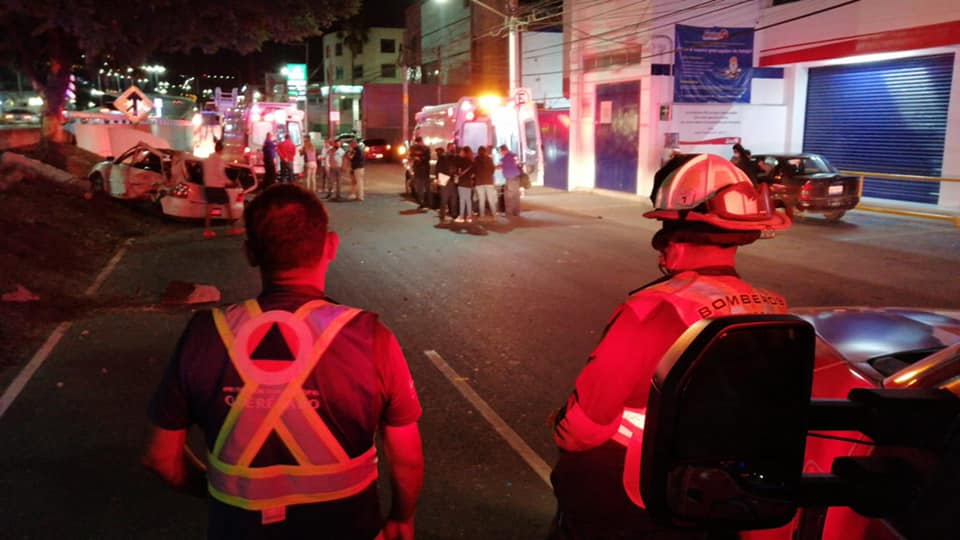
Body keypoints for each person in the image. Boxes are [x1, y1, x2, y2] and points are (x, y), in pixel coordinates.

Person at [143, 184, 424, 540]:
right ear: (331, 246)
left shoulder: (205, 334)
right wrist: (402, 516)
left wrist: (220, 492)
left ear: (250, 254)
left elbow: (161, 458)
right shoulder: (370, 337)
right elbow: (407, 457)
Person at [549, 154, 791, 540]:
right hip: (726, 491)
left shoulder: (652, 310)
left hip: (639, 496)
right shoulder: (770, 307)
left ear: (675, 241)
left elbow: (582, 431)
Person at [201, 139, 243, 239]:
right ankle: (233, 228)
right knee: (228, 206)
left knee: (209, 208)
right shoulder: (219, 160)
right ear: (221, 150)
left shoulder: (207, 160)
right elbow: (221, 174)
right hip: (218, 187)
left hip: (208, 186)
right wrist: (230, 182)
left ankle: (207, 231)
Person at [435, 144, 459, 223]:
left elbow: (456, 168)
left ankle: (453, 214)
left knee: (453, 198)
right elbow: (438, 168)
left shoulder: (454, 157)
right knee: (445, 199)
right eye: (452, 148)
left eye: (454, 148)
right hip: (445, 179)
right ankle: (443, 215)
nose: (453, 149)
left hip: (450, 179)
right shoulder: (443, 157)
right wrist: (438, 178)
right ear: (448, 148)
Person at [497, 145, 523, 217]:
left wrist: (492, 167)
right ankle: (516, 212)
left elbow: (500, 166)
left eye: (500, 151)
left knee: (508, 197)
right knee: (516, 195)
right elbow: (518, 164)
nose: (500, 153)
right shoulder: (514, 156)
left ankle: (509, 213)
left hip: (510, 179)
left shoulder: (505, 158)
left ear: (504, 150)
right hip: (516, 178)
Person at [473, 146, 497, 221]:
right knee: (490, 199)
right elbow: (493, 170)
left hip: (479, 182)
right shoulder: (489, 159)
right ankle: (494, 215)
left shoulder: (476, 159)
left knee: (481, 200)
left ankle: (482, 216)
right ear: (485, 151)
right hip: (489, 181)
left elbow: (474, 170)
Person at [409, 136, 432, 210]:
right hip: (418, 170)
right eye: (417, 143)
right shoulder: (413, 148)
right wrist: (414, 158)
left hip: (424, 170)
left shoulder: (426, 148)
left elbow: (428, 158)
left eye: (419, 142)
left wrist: (419, 158)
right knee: (420, 188)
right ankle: (422, 203)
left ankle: (428, 202)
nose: (418, 144)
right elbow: (411, 156)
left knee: (426, 188)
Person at [455, 146, 475, 223]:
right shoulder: (471, 162)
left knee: (462, 200)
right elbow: (473, 174)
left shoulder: (461, 161)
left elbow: (459, 172)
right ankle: (469, 217)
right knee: (468, 200)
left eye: (461, 151)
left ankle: (461, 216)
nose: (460, 152)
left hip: (462, 183)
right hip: (468, 183)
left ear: (464, 152)